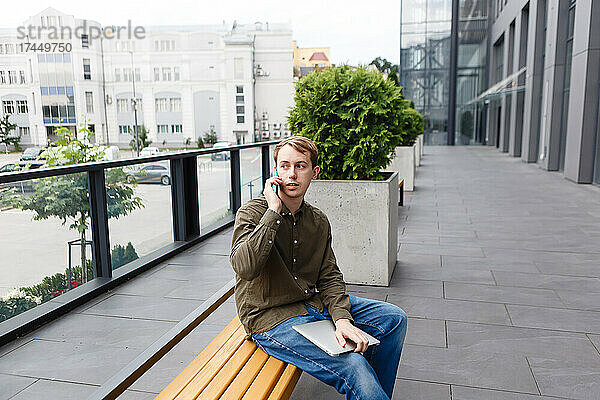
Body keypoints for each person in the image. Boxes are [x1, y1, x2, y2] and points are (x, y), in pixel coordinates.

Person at [230, 136, 407, 400]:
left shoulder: (318, 221)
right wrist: (273, 212)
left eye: (300, 166)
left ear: (314, 173)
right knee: (354, 367)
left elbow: (329, 276)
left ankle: (373, 394)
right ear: (275, 171)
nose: (291, 174)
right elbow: (244, 267)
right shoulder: (253, 213)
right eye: (285, 166)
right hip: (269, 319)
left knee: (393, 318)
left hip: (311, 303)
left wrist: (342, 319)